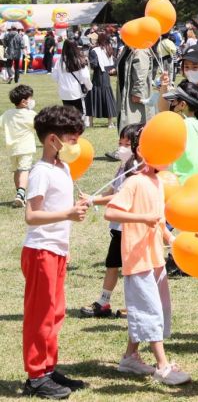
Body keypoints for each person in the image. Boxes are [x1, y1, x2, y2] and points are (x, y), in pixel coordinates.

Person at [104, 130, 191, 386]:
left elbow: (159, 218)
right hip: (137, 258)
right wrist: (142, 219)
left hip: (154, 257)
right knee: (150, 310)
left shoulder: (158, 181)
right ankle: (162, 366)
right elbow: (111, 211)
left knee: (154, 308)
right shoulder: (134, 182)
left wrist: (171, 239)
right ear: (142, 152)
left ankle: (130, 356)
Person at [22, 106, 89, 399]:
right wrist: (68, 214)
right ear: (53, 140)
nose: (76, 146)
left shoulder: (62, 167)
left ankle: (49, 368)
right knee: (40, 315)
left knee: (55, 312)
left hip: (56, 250)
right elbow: (32, 215)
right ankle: (36, 375)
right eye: (72, 140)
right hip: (40, 252)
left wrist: (65, 246)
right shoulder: (41, 172)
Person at [80, 124, 141, 318]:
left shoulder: (136, 170)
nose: (122, 146)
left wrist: (93, 200)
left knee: (133, 269)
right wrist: (92, 196)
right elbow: (112, 191)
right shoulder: (123, 166)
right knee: (112, 264)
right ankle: (103, 302)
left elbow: (120, 197)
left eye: (127, 143)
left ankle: (135, 305)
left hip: (129, 226)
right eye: (120, 142)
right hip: (118, 228)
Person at [159, 41, 198, 136]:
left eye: (195, 67)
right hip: (190, 138)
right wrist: (164, 87)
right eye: (186, 67)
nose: (190, 71)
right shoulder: (185, 85)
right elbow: (165, 110)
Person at [162, 81, 198, 184]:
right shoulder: (197, 124)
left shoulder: (183, 125)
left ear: (182, 105)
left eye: (174, 101)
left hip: (181, 182)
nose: (172, 104)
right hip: (195, 181)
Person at [2, 84, 37, 208]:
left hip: (12, 149)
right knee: (24, 170)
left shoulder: (7, 114)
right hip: (26, 148)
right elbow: (39, 125)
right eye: (30, 98)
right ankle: (21, 192)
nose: (32, 101)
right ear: (24, 101)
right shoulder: (30, 114)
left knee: (17, 171)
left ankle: (20, 195)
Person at [85, 32, 118, 129]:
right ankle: (109, 123)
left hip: (97, 76)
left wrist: (88, 60)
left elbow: (94, 65)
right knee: (107, 97)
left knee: (93, 97)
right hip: (106, 76)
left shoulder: (94, 50)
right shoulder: (109, 49)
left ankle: (91, 123)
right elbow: (112, 64)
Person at [52, 40, 92, 115]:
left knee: (67, 113)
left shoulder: (60, 61)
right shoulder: (79, 60)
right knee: (78, 113)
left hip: (64, 91)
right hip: (76, 91)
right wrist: (89, 87)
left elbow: (54, 76)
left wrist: (62, 82)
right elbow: (85, 76)